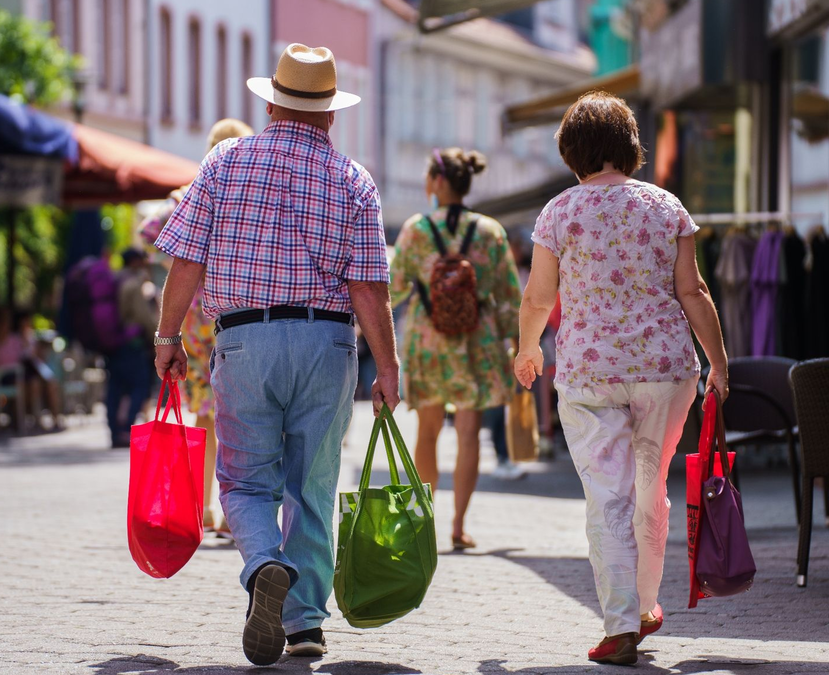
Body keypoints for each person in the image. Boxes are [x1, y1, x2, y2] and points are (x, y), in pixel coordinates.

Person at [152, 44, 399, 666]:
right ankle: (306, 621)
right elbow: (369, 286)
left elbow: (187, 259)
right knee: (312, 484)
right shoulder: (353, 178)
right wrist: (389, 368)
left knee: (244, 480)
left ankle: (264, 562)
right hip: (326, 343)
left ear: (269, 104)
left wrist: (168, 336)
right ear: (331, 114)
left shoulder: (224, 161)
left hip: (245, 341)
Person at [513, 91, 728, 667]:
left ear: (571, 150)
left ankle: (620, 623)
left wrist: (527, 350)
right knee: (651, 488)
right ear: (630, 147)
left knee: (607, 496)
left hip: (590, 374)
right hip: (665, 370)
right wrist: (719, 363)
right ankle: (646, 606)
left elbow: (538, 297)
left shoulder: (559, 212)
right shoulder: (666, 206)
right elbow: (693, 291)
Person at [389, 147, 522, 549]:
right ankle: (459, 525)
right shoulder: (490, 231)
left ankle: (423, 523)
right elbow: (509, 295)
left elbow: (395, 287)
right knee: (468, 435)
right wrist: (515, 343)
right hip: (475, 342)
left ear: (438, 181)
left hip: (428, 340)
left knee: (427, 431)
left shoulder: (415, 229)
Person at [141, 117, 257, 537]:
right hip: (234, 316)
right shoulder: (247, 195)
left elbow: (148, 231)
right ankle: (233, 513)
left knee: (204, 416)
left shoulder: (191, 194)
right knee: (240, 417)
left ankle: (202, 508)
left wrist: (178, 258)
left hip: (192, 322)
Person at [106, 247, 158, 448]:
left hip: (112, 342)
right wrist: (157, 338)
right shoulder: (133, 284)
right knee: (140, 385)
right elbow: (143, 317)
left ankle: (114, 432)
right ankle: (127, 428)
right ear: (135, 261)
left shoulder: (113, 279)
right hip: (132, 344)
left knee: (115, 387)